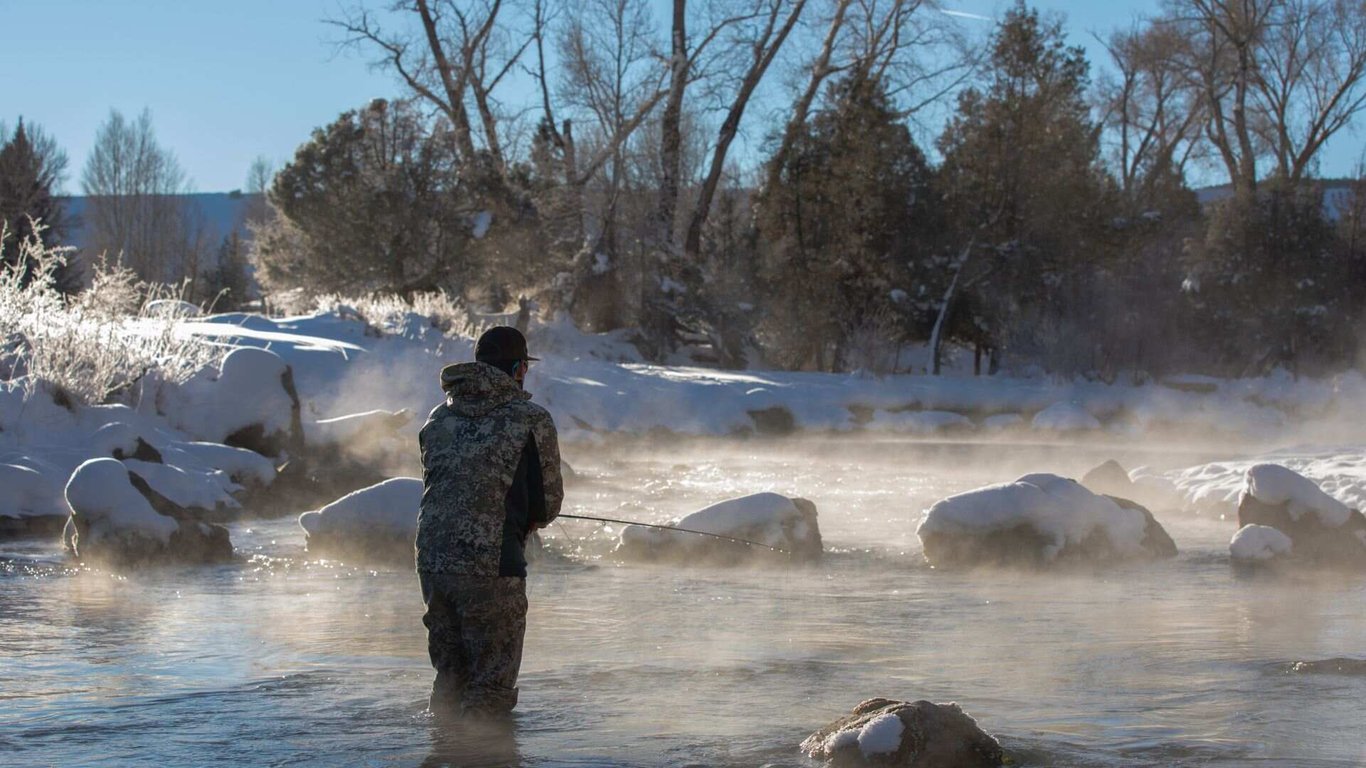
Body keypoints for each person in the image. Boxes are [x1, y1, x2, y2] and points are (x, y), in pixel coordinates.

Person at [416, 325, 563, 718]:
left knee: (449, 681)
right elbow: (547, 505)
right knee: (490, 690)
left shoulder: (438, 417)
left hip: (432, 561)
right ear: (518, 369)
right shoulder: (529, 418)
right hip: (491, 565)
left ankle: (440, 751)